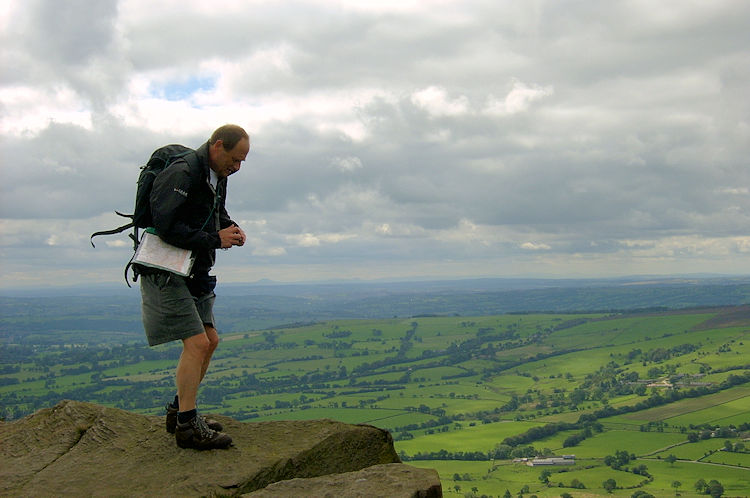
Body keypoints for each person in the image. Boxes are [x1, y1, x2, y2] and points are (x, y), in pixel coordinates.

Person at [135, 124, 250, 450]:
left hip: (194, 269)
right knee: (197, 343)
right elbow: (166, 226)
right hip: (165, 269)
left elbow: (215, 212)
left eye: (242, 162)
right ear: (217, 146)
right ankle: (187, 427)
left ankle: (179, 412)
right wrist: (216, 239)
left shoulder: (216, 176)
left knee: (210, 340)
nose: (237, 167)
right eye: (234, 159)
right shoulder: (184, 173)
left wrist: (230, 227)